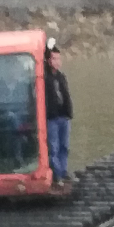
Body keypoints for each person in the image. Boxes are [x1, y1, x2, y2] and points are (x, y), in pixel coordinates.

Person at [44, 38, 73, 184]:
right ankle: (56, 174)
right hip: (52, 118)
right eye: (54, 58)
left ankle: (63, 171)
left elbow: (66, 95)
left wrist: (69, 112)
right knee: (53, 147)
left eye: (58, 58)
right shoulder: (44, 78)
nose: (57, 61)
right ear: (48, 60)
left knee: (64, 146)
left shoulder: (61, 77)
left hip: (64, 116)